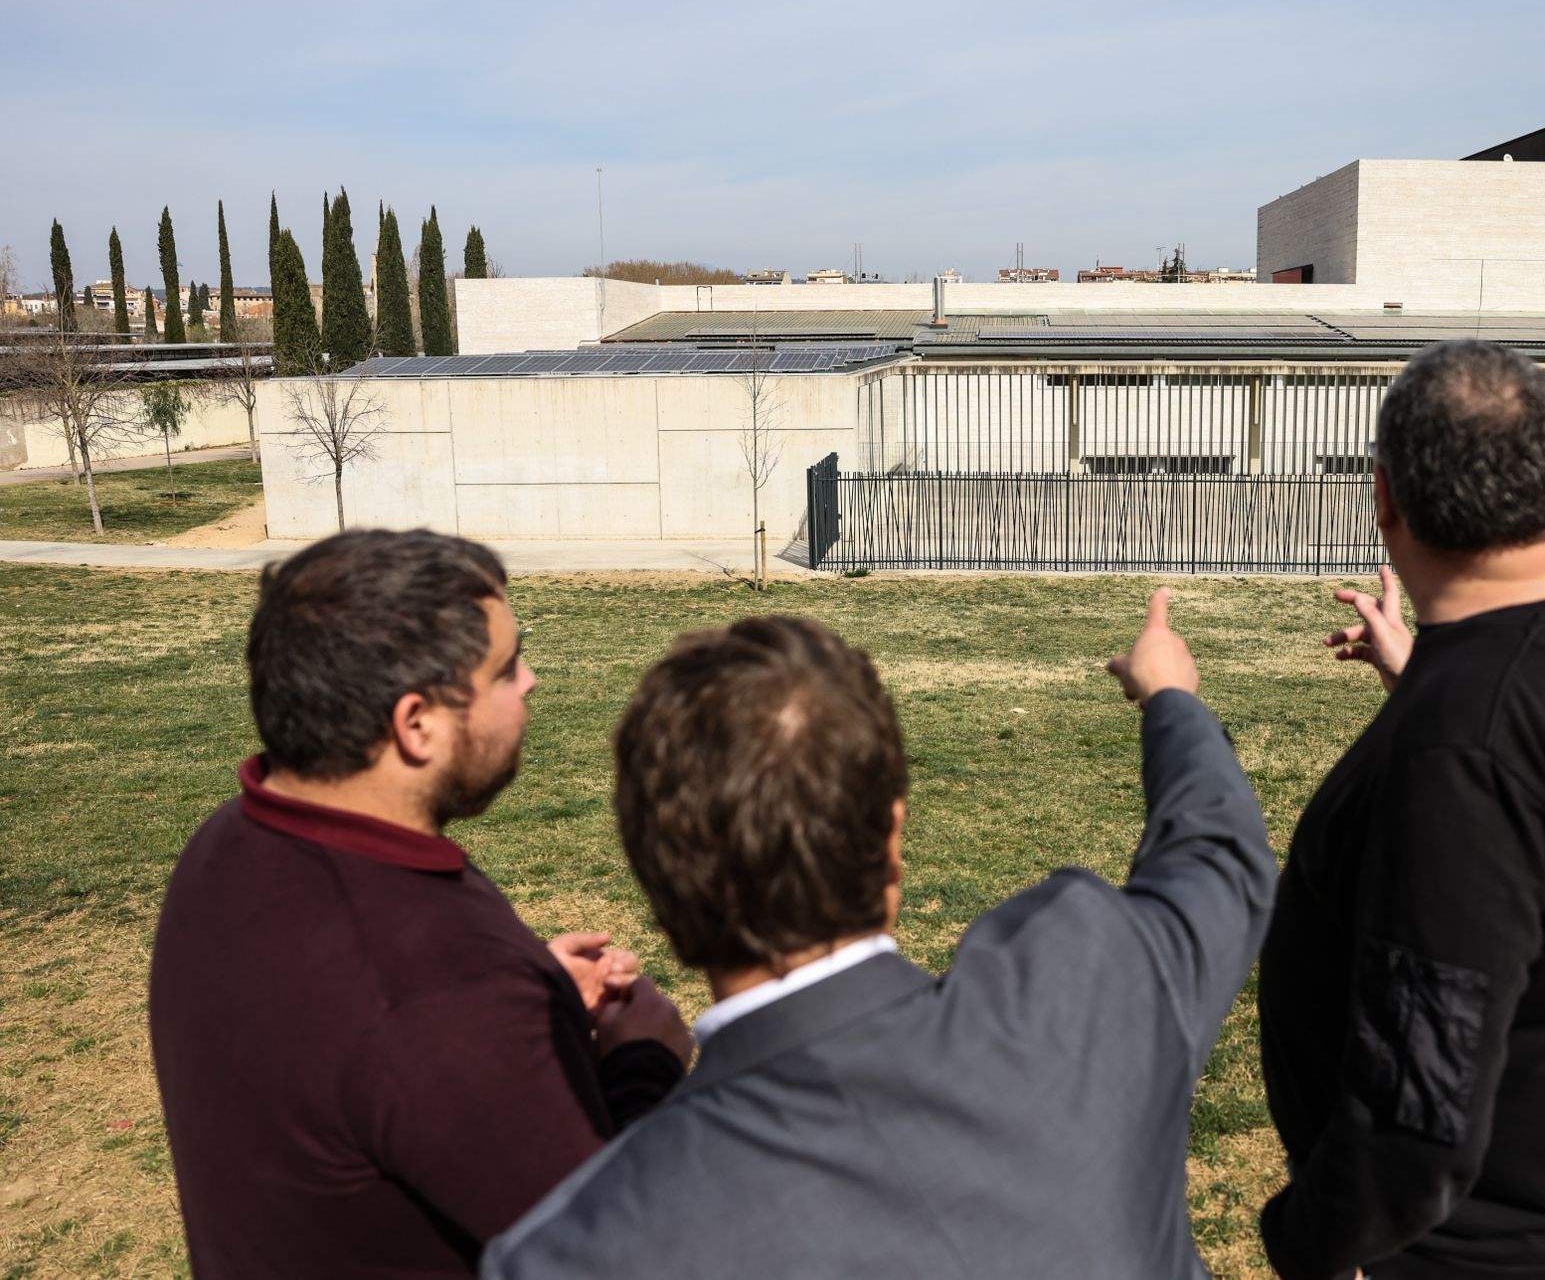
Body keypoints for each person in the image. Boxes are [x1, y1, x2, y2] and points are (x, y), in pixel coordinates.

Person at [484, 594, 1273, 1278]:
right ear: (893, 835)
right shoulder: (1086, 986)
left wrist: (638, 1092)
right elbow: (1218, 859)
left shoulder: (568, 1253)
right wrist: (1170, 695)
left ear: (657, 887)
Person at [1258, 340, 1545, 1280]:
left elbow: (1418, 1114)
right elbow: (1543, 800)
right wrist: (1420, 676)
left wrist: (1305, 1244)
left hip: (1456, 1246)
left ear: (1386, 500)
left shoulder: (1466, 748)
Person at [149, 529, 693, 1277]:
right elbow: (624, 1256)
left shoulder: (230, 842)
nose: (530, 681)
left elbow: (366, 1051)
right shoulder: (436, 992)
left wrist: (529, 1005)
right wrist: (644, 1068)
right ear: (415, 725)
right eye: (505, 669)